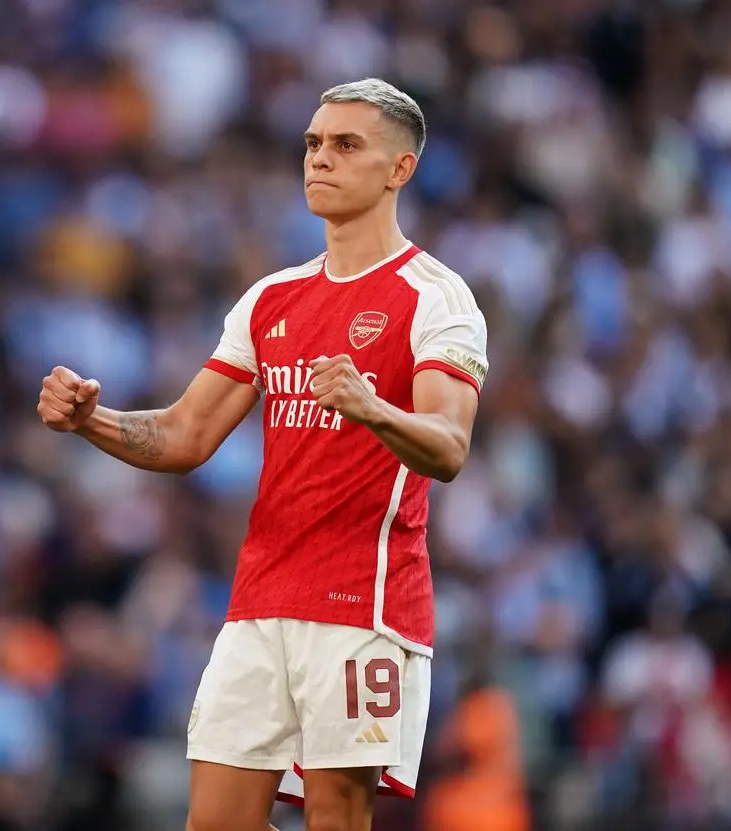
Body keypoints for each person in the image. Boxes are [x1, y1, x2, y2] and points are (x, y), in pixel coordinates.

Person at [36, 78, 488, 831]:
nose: (320, 159)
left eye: (347, 145)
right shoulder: (271, 300)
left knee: (335, 818)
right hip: (257, 606)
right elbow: (186, 434)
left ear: (399, 169)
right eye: (314, 143)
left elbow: (450, 447)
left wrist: (372, 405)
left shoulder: (434, 299)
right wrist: (92, 420)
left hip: (362, 608)